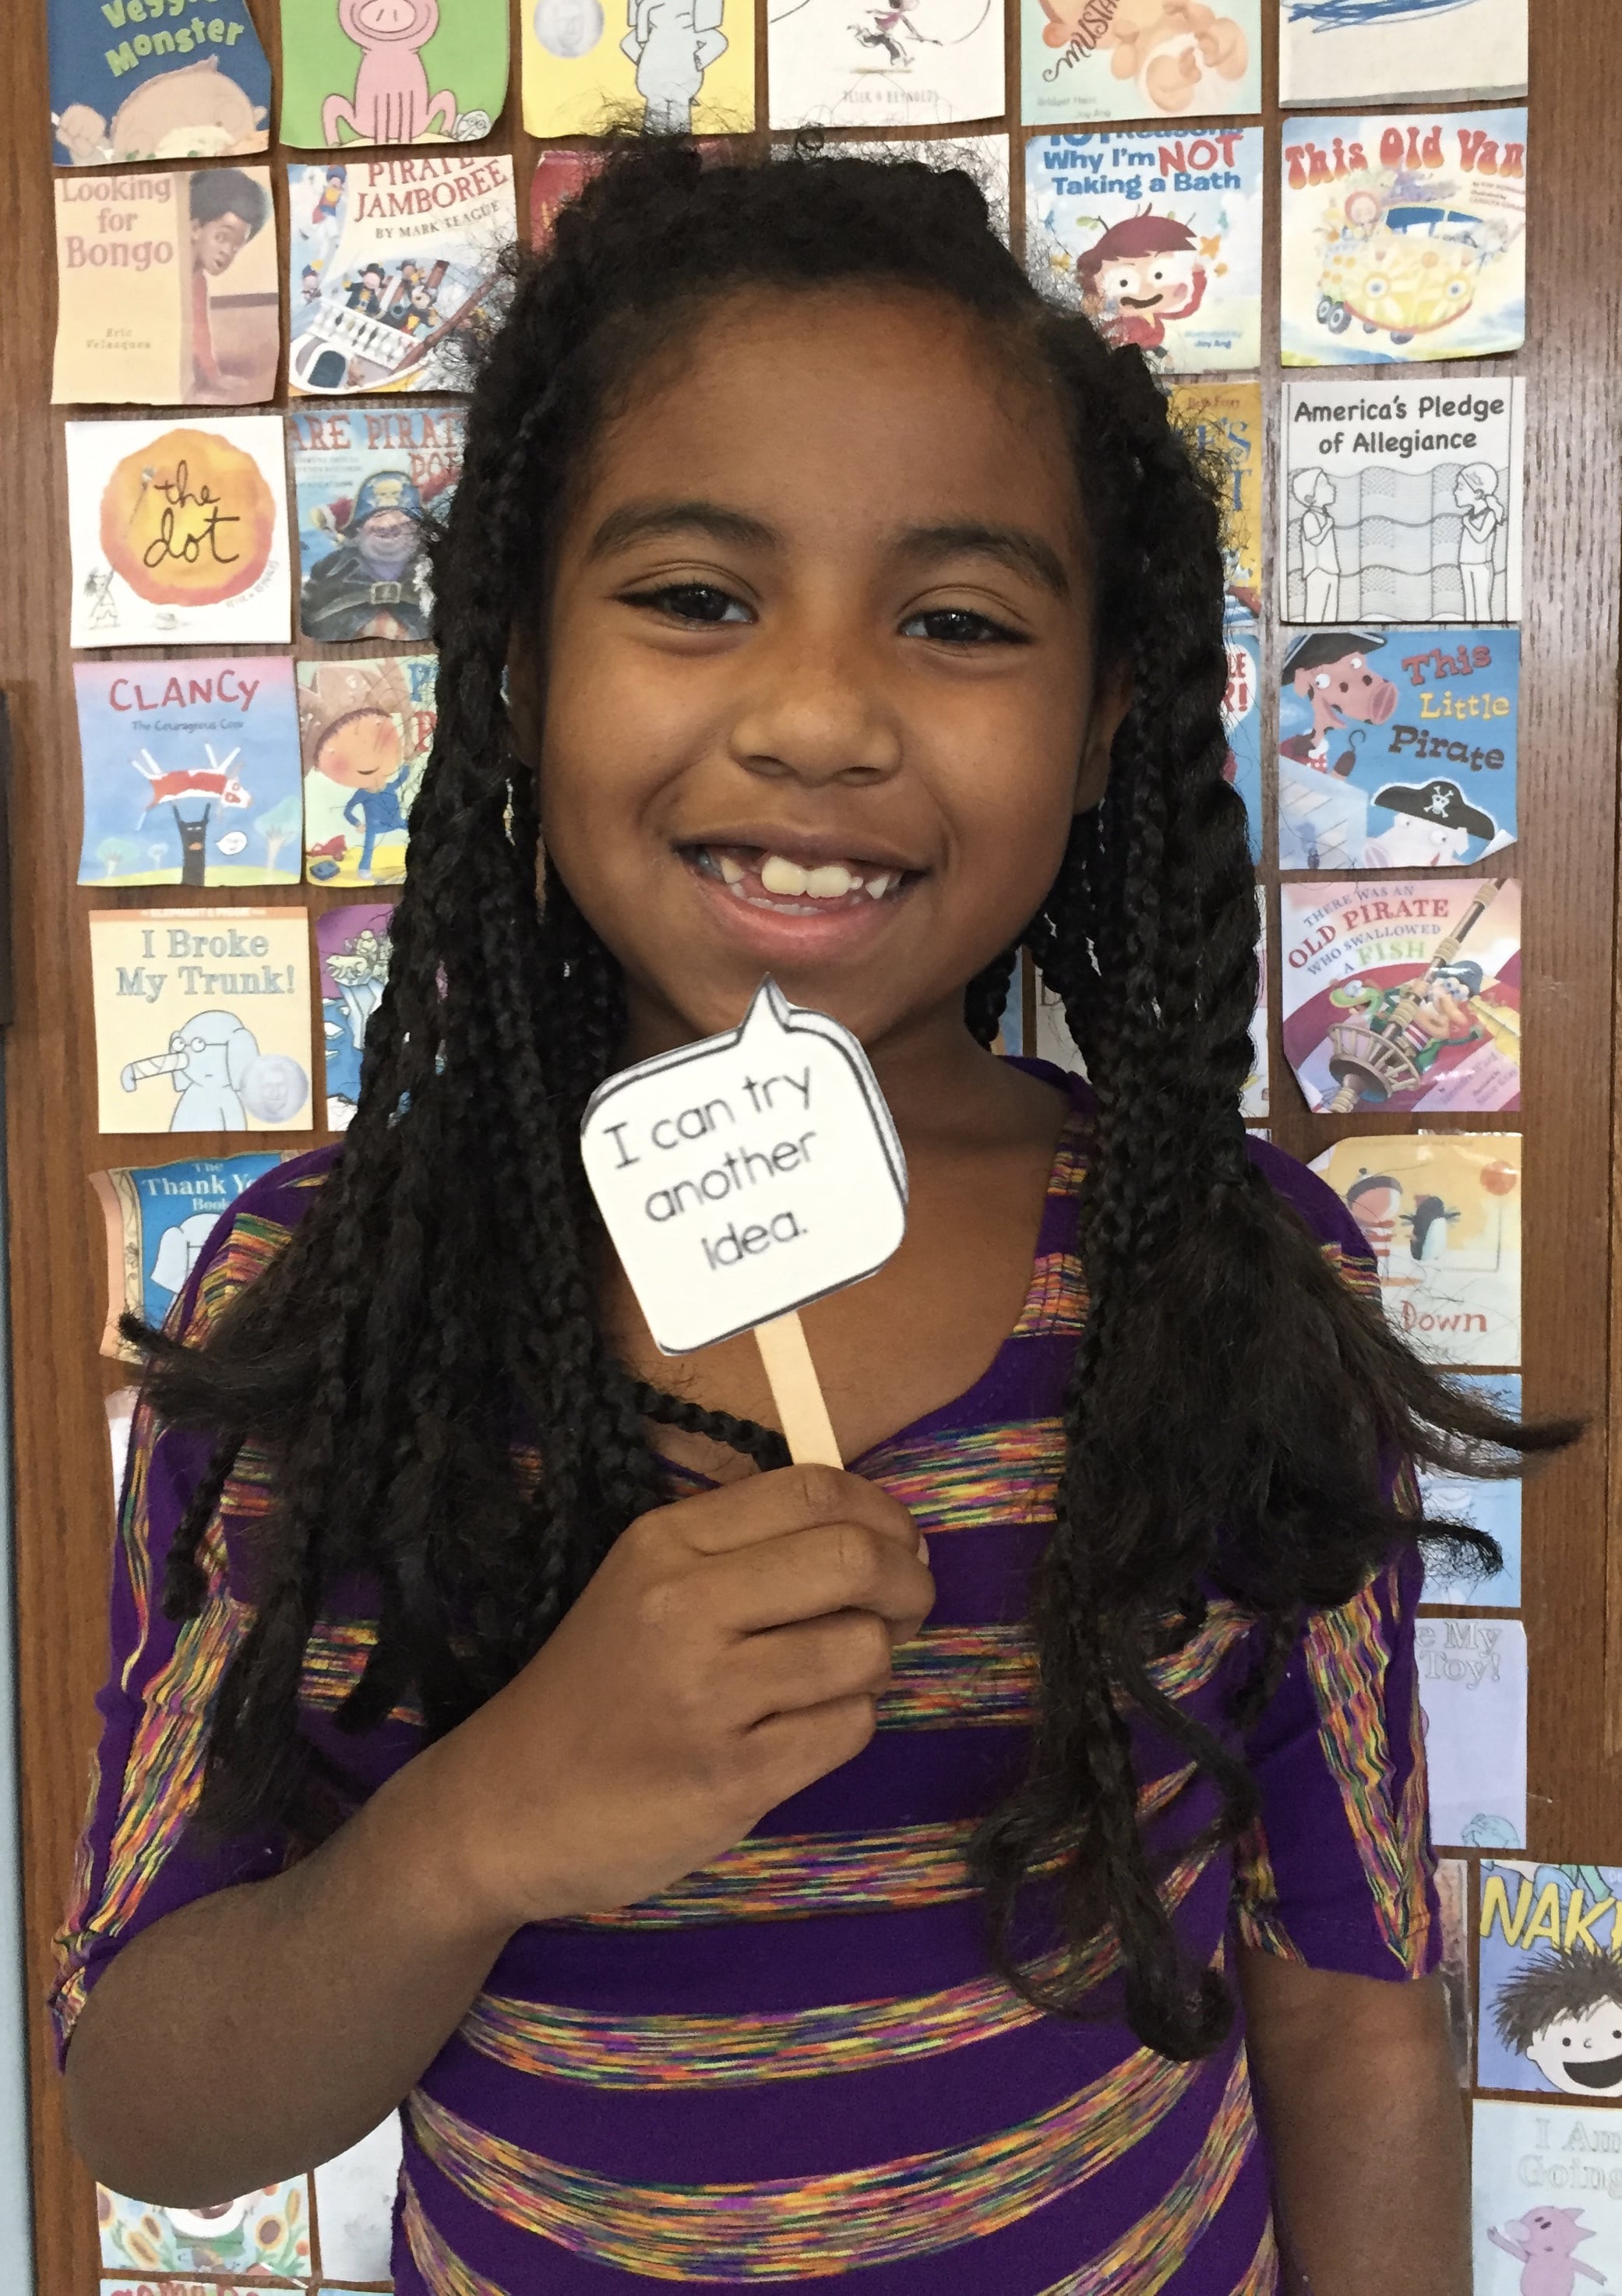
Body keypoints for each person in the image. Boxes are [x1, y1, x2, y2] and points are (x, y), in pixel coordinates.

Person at [57, 143, 1565, 2296]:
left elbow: (1351, 2007)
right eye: (694, 597)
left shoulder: (1224, 1288)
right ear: (515, 662)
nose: (820, 717)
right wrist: (478, 1827)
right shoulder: (333, 1308)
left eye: (957, 623)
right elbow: (151, 2105)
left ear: (1104, 719)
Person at [299, 471, 432, 644]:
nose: (389, 524)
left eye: (400, 516)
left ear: (418, 528)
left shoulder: (441, 568)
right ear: (358, 528)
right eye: (377, 516)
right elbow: (309, 621)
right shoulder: (327, 570)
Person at [186, 167, 270, 400]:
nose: (227, 251)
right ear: (195, 228)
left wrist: (213, 375)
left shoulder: (197, 280)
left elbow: (200, 330)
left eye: (236, 246)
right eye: (222, 237)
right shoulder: (173, 269)